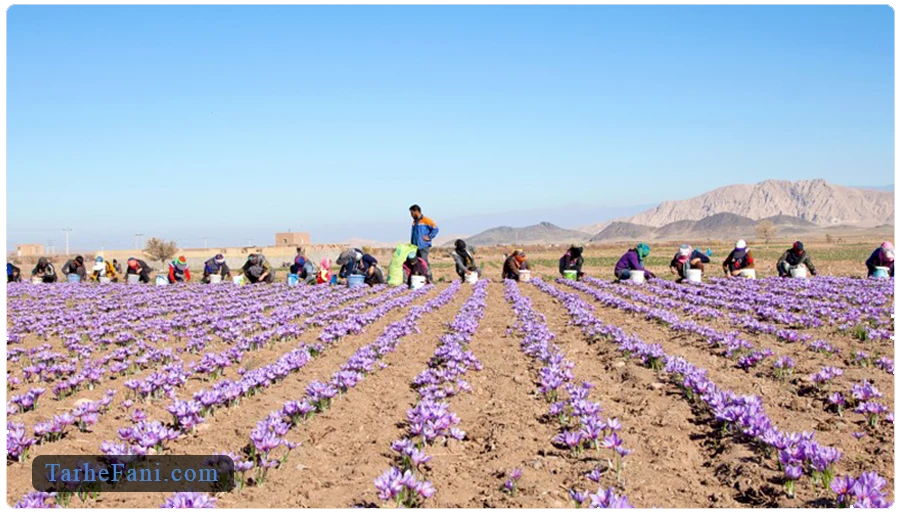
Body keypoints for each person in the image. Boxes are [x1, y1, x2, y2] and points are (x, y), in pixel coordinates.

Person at [409, 204, 439, 282]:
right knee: (416, 263)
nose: (411, 215)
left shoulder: (426, 220)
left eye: (412, 213)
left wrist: (429, 237)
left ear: (416, 211)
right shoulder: (414, 222)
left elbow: (435, 229)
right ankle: (420, 279)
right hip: (415, 246)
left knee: (424, 262)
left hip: (423, 246)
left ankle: (429, 279)